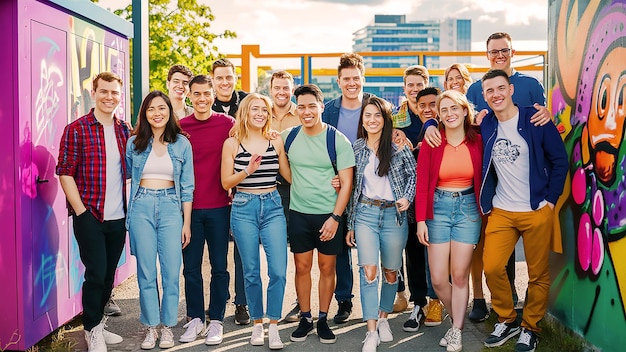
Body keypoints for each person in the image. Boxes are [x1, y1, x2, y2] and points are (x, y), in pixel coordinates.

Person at [424, 32, 553, 321]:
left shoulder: (530, 85)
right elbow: (455, 115)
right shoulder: (475, 90)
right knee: (484, 247)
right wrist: (431, 123)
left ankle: (518, 306)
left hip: (528, 187)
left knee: (522, 260)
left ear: (512, 51)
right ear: (486, 55)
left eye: (504, 50)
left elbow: (544, 122)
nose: (499, 55)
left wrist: (549, 114)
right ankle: (481, 299)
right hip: (489, 182)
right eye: (493, 51)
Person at [479, 69, 567, 352]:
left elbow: (559, 161)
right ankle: (506, 319)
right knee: (492, 267)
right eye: (490, 91)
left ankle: (531, 327)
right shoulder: (486, 124)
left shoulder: (535, 119)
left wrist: (550, 201)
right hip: (502, 210)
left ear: (511, 89)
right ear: (484, 96)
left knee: (537, 275)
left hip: (536, 209)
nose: (496, 94)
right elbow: (451, 118)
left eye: (501, 88)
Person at [56, 72, 129, 352]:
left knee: (109, 274)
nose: (109, 97)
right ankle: (91, 330)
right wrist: (81, 212)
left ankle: (98, 324)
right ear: (94, 92)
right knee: (96, 273)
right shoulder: (77, 129)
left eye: (114, 93)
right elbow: (64, 172)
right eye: (104, 91)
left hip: (118, 216)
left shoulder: (124, 130)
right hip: (90, 215)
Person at [283, 84, 355, 344]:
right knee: (302, 268)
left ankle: (323, 318)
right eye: (301, 106)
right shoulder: (288, 137)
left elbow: (346, 183)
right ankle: (305, 317)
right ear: (296, 109)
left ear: (321, 107)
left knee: (327, 268)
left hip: (328, 215)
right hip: (299, 214)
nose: (306, 111)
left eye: (311, 106)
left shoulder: (336, 139)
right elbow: (283, 168)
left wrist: (335, 218)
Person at [221, 93, 292, 349]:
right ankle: (257, 324)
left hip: (272, 205)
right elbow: (225, 182)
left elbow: (288, 176)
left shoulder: (275, 140)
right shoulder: (232, 143)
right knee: (251, 272)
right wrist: (247, 171)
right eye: (255, 109)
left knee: (278, 271)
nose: (260, 113)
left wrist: (280, 147)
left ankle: (274, 325)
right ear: (245, 112)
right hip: (243, 208)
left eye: (264, 109)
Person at [345, 96, 416, 352]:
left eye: (377, 116)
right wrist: (351, 223)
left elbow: (413, 175)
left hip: (393, 216)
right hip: (365, 213)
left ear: (386, 120)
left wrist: (407, 196)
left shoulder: (398, 146)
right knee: (369, 272)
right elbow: (352, 188)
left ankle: (384, 317)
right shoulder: (356, 148)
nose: (372, 120)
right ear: (362, 119)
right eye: (368, 115)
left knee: (390, 272)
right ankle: (371, 331)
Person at [126, 91, 194, 349]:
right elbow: (128, 177)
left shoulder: (181, 144)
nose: (157, 113)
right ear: (144, 113)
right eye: (151, 109)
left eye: (162, 108)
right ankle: (150, 327)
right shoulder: (134, 143)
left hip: (170, 206)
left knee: (170, 272)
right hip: (141, 205)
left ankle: (167, 327)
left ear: (169, 111)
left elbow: (187, 187)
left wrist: (186, 223)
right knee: (146, 271)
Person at [416, 90, 483, 352]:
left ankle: (456, 331)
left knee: (459, 275)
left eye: (454, 108)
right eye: (443, 110)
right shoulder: (433, 142)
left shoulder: (478, 138)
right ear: (439, 117)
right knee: (438, 279)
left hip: (468, 208)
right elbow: (422, 185)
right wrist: (421, 220)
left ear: (465, 110)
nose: (449, 113)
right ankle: (457, 320)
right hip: (438, 210)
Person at [178, 75, 235, 345]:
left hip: (220, 207)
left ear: (213, 95)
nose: (202, 99)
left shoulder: (228, 124)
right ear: (189, 96)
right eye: (197, 94)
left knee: (219, 266)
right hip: (189, 209)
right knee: (190, 267)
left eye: (206, 94)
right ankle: (195, 318)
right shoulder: (180, 127)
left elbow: (246, 144)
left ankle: (217, 320)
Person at [391, 66, 445, 332]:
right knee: (413, 249)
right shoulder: (395, 119)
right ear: (404, 88)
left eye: (419, 84)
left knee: (435, 250)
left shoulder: (441, 114)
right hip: (409, 194)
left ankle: (437, 299)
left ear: (427, 84)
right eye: (409, 85)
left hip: (440, 193)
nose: (414, 89)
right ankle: (417, 301)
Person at [321, 52, 373, 324]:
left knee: (370, 244)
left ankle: (380, 299)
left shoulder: (377, 105)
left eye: (356, 78)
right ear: (338, 81)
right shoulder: (329, 110)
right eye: (346, 79)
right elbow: (321, 145)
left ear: (362, 78)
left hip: (370, 187)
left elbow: (392, 136)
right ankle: (344, 301)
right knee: (340, 246)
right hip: (339, 185)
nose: (351, 83)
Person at [443, 63, 490, 323]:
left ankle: (486, 297)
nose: (454, 82)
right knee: (457, 259)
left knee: (481, 251)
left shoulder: (476, 118)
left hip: (477, 196)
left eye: (459, 78)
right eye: (450, 79)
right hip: (450, 198)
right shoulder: (445, 117)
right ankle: (467, 301)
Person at [211, 58, 251, 325]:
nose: (224, 82)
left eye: (228, 77)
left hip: (243, 188)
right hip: (214, 188)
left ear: (235, 77)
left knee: (242, 251)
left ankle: (242, 303)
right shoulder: (204, 103)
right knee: (216, 251)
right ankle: (219, 297)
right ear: (212, 80)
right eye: (219, 78)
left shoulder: (248, 102)